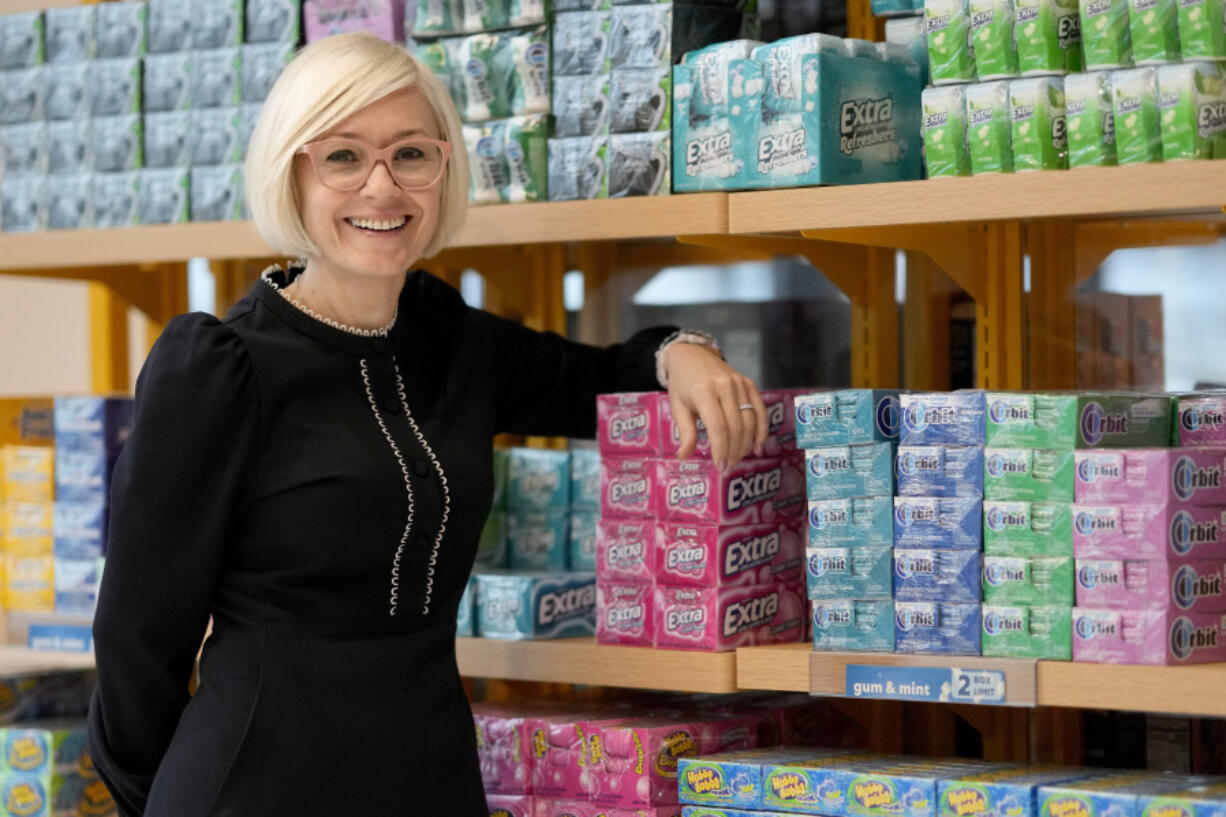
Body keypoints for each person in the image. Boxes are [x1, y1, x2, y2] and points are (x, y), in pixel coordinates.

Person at [88, 32, 770, 816]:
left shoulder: (447, 338)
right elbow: (136, 639)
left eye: (410, 154)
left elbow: (594, 378)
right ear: (291, 172)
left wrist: (680, 353)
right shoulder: (219, 367)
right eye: (343, 156)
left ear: (442, 170)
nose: (382, 187)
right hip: (254, 783)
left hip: (429, 778)